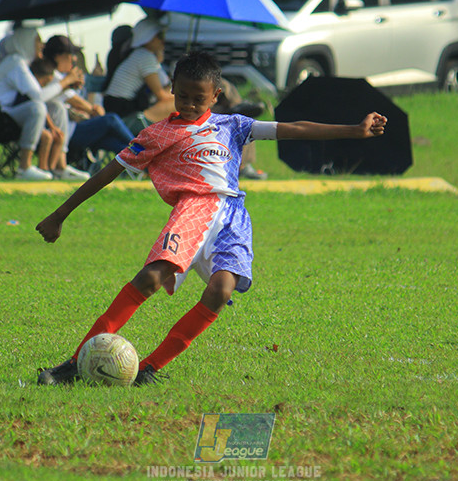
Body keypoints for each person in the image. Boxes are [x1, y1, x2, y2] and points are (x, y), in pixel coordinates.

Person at [34, 50, 387, 386]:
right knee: (150, 279)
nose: (188, 104)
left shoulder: (233, 125)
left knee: (220, 291)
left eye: (197, 99)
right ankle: (73, 364)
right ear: (171, 88)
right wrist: (60, 214)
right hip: (192, 211)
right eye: (182, 96)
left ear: (215, 96)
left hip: (233, 219)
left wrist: (353, 130)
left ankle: (150, 368)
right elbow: (107, 172)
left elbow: (293, 128)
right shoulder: (156, 135)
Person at [0, 26, 81, 181]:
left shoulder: (21, 62)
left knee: (57, 106)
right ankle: (24, 168)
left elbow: (42, 93)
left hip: (7, 112)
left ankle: (60, 167)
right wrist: (65, 81)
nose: (41, 45)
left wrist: (65, 84)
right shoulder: (15, 63)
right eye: (37, 41)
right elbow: (38, 96)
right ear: (25, 42)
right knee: (37, 107)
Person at [42, 35, 134, 163]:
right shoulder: (52, 77)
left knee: (111, 142)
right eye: (70, 54)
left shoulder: (59, 77)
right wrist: (93, 109)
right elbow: (73, 99)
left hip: (72, 129)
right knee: (110, 119)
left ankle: (148, 163)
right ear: (57, 56)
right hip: (69, 132)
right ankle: (143, 151)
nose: (73, 58)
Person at [102, 17, 175, 131]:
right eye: (160, 36)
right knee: (181, 104)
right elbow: (162, 95)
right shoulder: (145, 56)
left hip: (117, 110)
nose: (163, 40)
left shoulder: (140, 54)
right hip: (125, 116)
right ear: (149, 38)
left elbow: (165, 85)